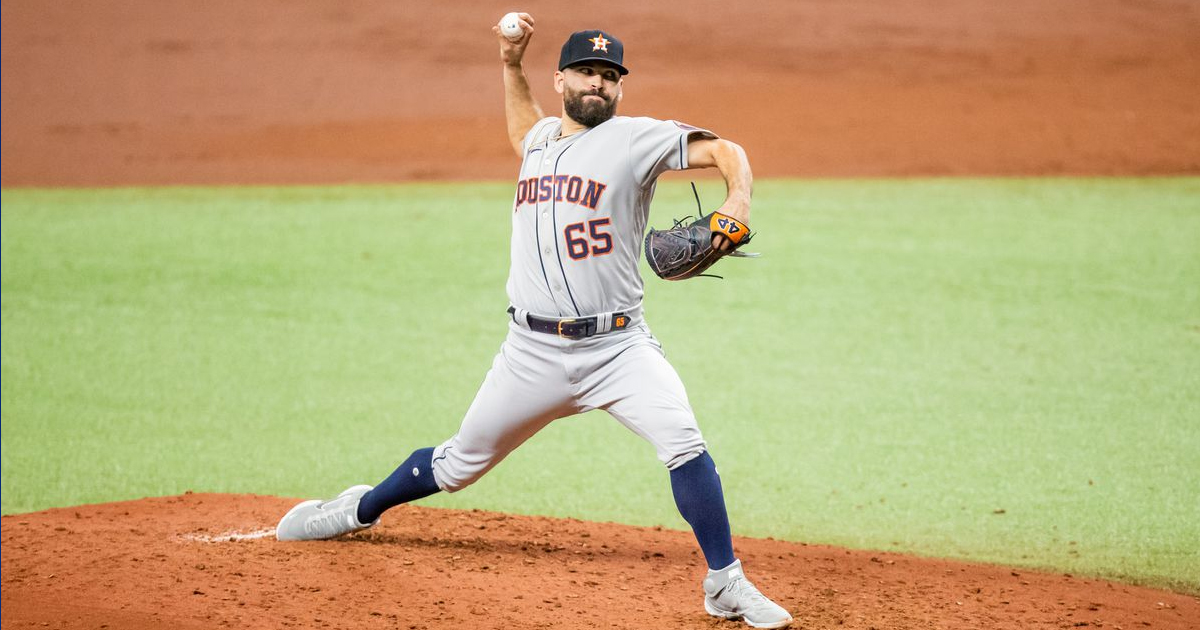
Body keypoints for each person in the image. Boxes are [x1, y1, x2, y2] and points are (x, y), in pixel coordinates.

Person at [276, 14, 792, 629]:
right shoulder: (544, 139)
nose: (598, 83)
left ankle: (724, 584)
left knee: (685, 445)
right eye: (586, 73)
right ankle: (359, 508)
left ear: (620, 88)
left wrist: (737, 198)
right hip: (531, 353)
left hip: (619, 348)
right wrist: (509, 64)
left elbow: (725, 150)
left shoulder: (635, 139)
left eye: (609, 76)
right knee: (456, 465)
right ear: (561, 80)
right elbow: (521, 132)